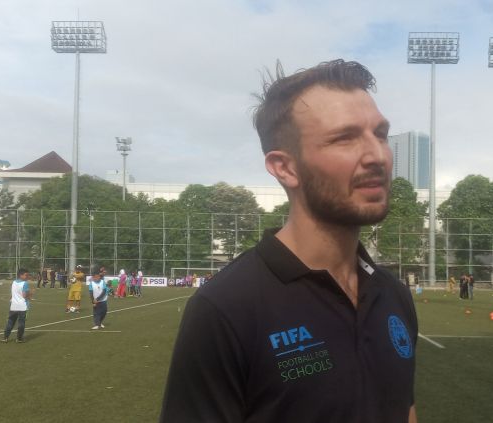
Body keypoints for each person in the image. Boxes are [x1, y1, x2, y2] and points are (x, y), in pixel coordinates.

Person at [160, 59, 417, 423]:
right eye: (344, 138)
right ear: (285, 167)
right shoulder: (225, 307)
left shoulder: (393, 295)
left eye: (380, 134)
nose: (377, 155)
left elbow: (403, 410)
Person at [1, 268, 31, 343]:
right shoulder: (25, 283)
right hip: (22, 306)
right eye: (26, 275)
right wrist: (30, 295)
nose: (27, 277)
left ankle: (5, 337)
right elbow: (24, 295)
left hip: (13, 306)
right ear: (20, 275)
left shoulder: (14, 282)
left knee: (10, 322)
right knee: (21, 323)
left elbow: (13, 294)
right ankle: (19, 338)